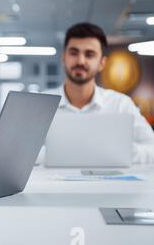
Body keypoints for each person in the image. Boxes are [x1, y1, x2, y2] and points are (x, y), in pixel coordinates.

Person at [42, 22, 154, 163]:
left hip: (109, 185)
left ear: (102, 63)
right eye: (74, 52)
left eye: (89, 54)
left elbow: (152, 148)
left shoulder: (120, 104)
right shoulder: (40, 105)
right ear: (64, 57)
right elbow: (19, 155)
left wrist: (123, 151)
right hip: (51, 185)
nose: (80, 61)